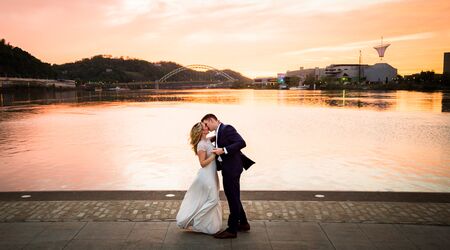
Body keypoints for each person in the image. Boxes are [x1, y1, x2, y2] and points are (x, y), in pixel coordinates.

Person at [201, 114, 251, 239]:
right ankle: (244, 223)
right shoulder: (219, 132)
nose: (206, 127)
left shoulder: (227, 128)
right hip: (230, 168)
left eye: (206, 124)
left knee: (232, 198)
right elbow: (220, 139)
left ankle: (232, 230)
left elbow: (241, 143)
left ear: (212, 120)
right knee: (234, 196)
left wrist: (223, 150)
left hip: (232, 169)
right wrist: (210, 140)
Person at [176, 122, 222, 235]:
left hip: (212, 174)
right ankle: (197, 221)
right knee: (213, 200)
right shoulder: (201, 144)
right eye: (204, 126)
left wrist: (219, 126)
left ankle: (207, 224)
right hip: (206, 176)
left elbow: (217, 136)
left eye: (206, 125)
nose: (207, 127)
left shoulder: (207, 140)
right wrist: (214, 155)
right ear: (201, 131)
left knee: (210, 199)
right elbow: (202, 163)